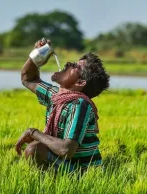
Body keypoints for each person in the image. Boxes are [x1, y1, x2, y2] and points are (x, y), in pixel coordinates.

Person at [15, 39, 110, 173]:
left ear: (80, 82)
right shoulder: (57, 96)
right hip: (65, 164)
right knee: (37, 147)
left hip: (82, 172)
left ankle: (55, 186)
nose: (69, 63)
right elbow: (28, 78)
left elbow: (66, 149)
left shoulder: (80, 105)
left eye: (75, 67)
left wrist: (33, 133)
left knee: (34, 149)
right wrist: (38, 54)